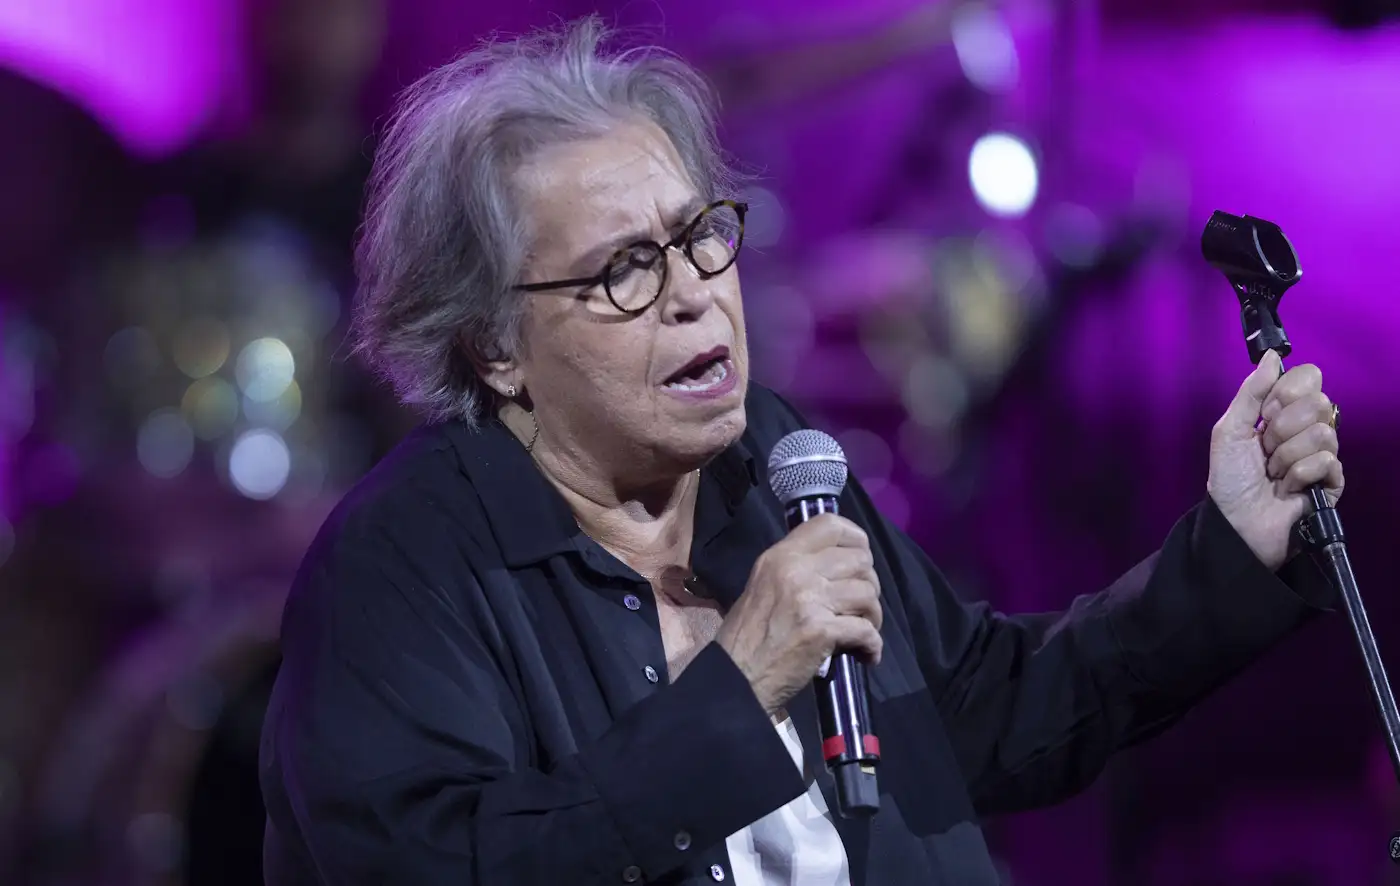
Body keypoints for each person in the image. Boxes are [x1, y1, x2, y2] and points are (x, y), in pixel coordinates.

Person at [258, 16, 1345, 886]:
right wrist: (736, 692)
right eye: (626, 268)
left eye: (699, 235)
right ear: (494, 346)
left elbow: (984, 715)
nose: (694, 293)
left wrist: (1232, 546)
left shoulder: (770, 463)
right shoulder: (404, 568)